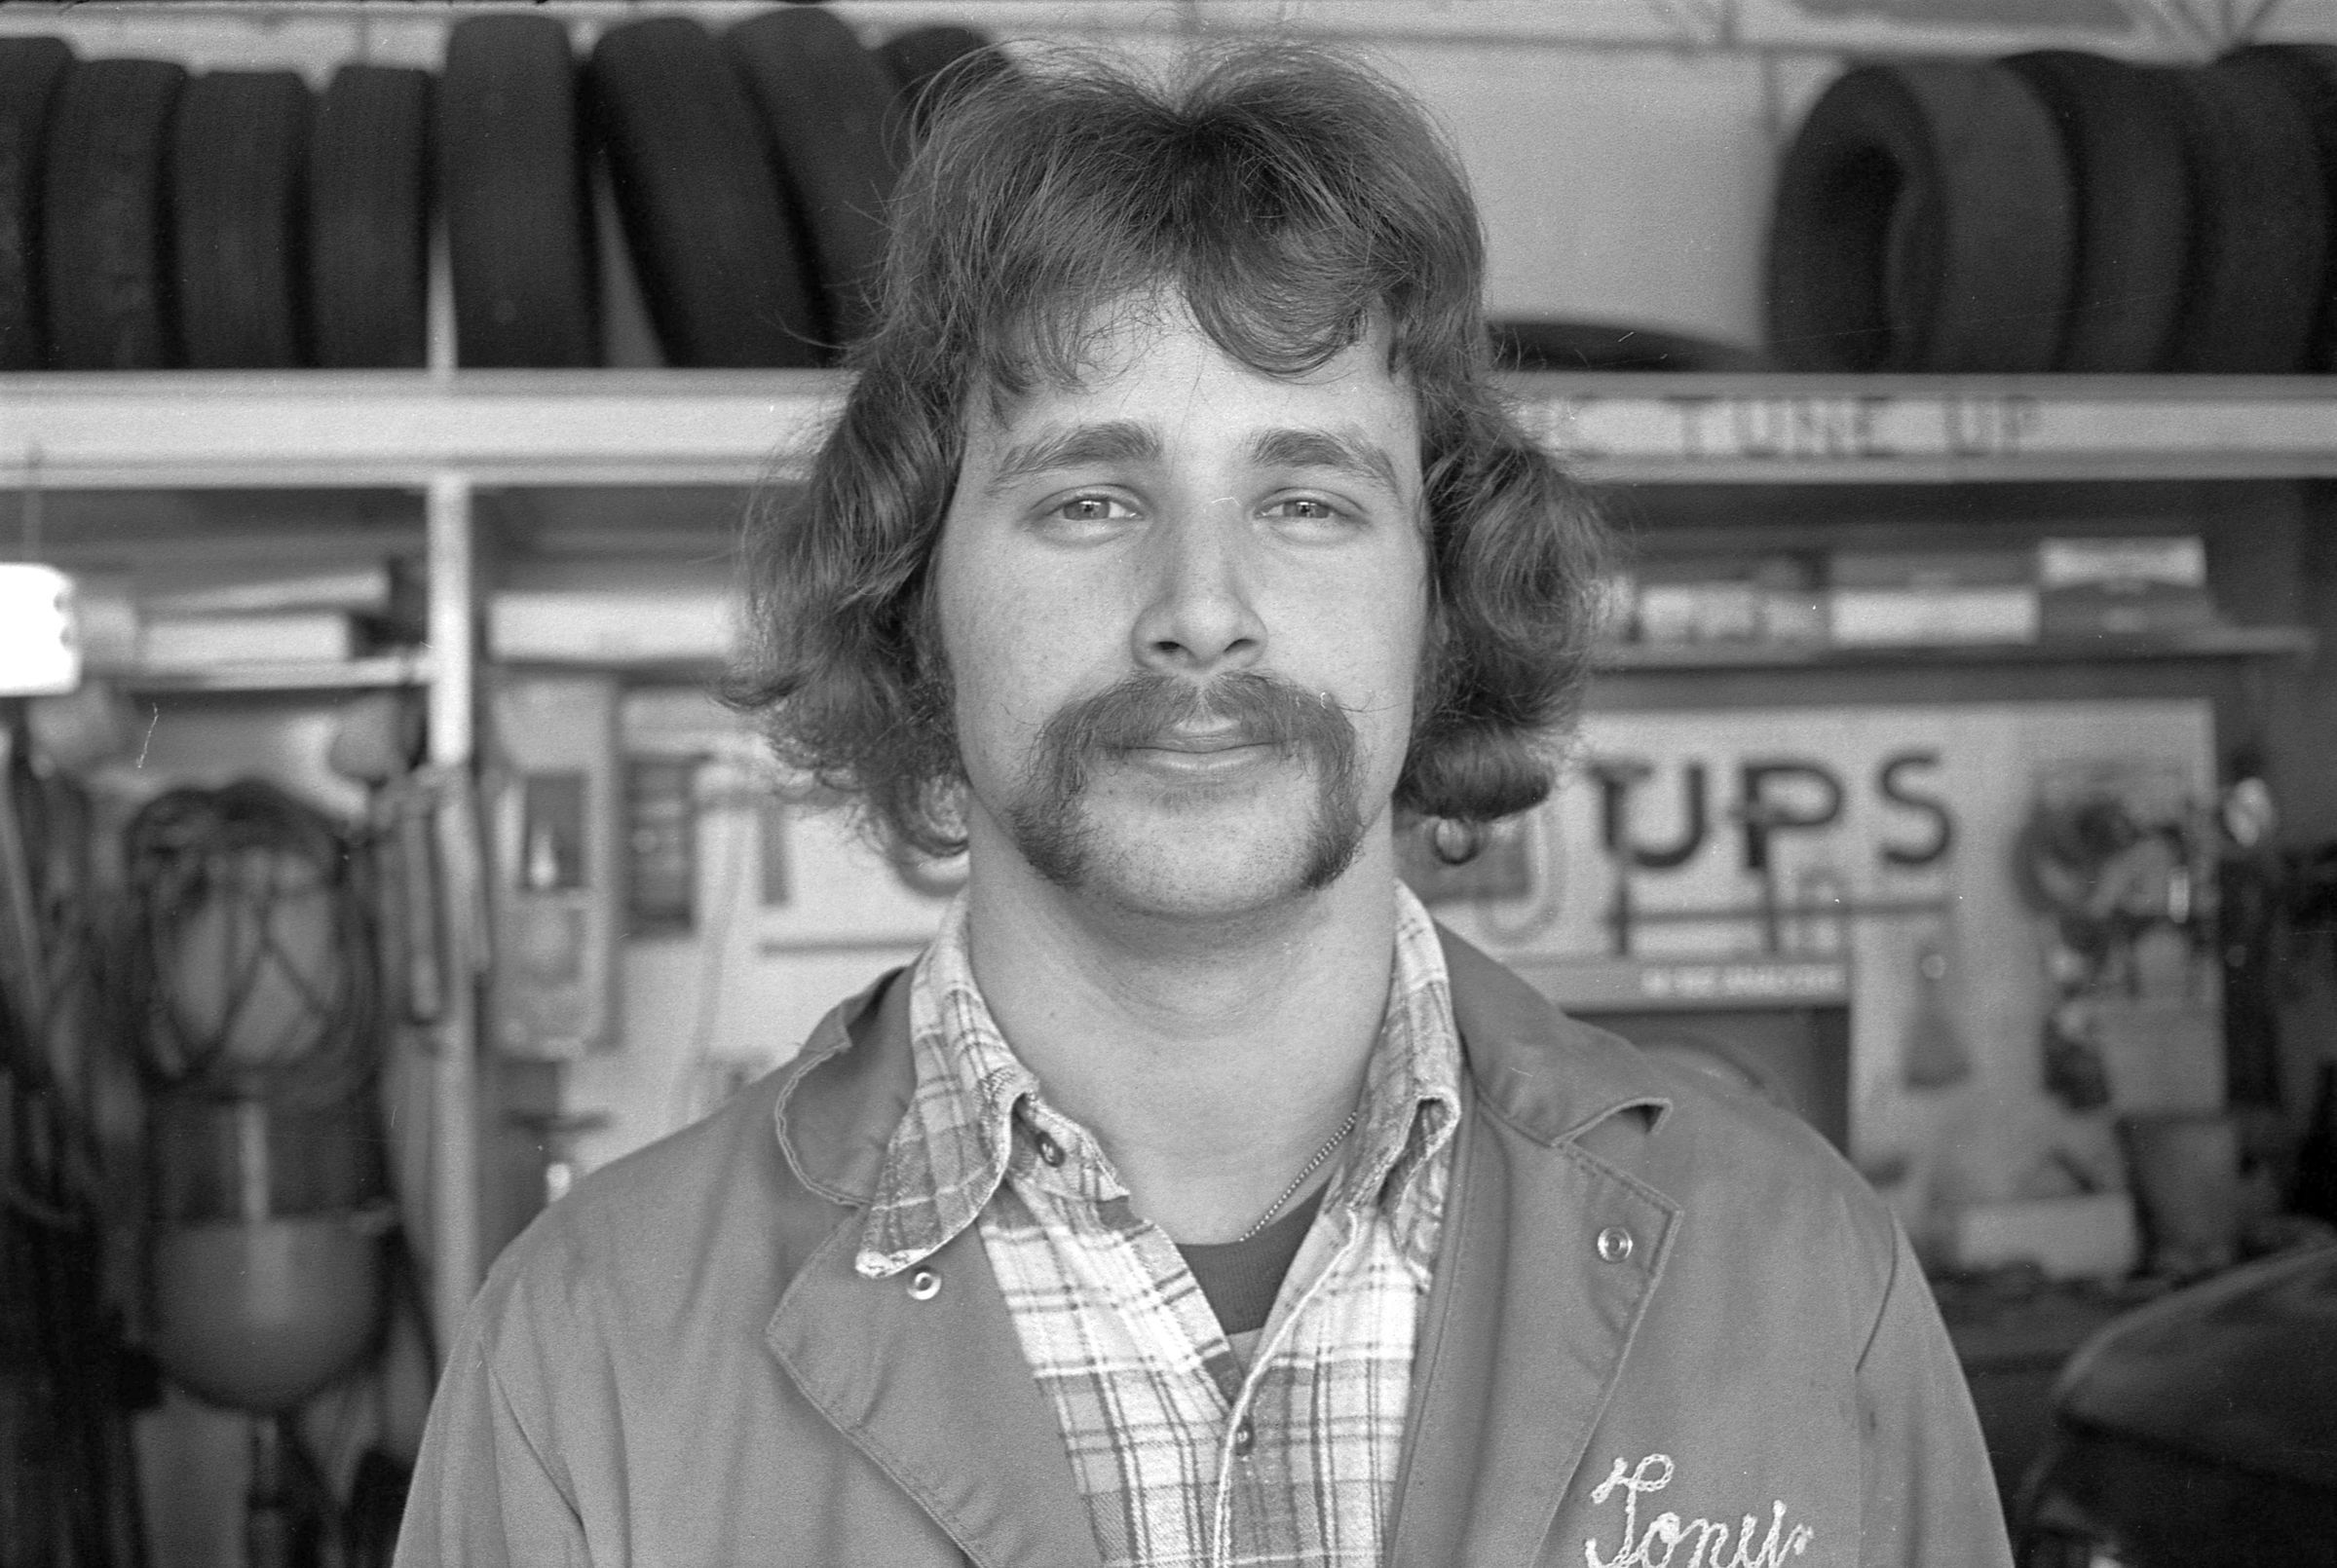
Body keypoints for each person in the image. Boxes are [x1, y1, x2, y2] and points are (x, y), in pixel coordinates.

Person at [396, 42, 2012, 1568]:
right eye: (1090, 498)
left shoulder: (1803, 1278)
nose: (1202, 610)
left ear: (1443, 602)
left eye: (1305, 499)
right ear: (914, 602)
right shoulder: (587, 1356)